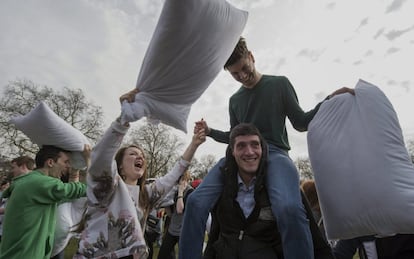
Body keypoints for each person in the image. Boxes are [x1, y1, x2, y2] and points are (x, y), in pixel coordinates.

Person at [180, 36, 355, 259]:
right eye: (235, 74)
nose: (242, 76)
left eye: (244, 68)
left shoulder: (279, 84)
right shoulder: (235, 100)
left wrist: (328, 101)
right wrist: (211, 131)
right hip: (240, 156)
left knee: (289, 209)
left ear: (251, 57)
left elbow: (301, 122)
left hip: (275, 154)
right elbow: (235, 139)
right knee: (195, 201)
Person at [74, 91, 206, 258]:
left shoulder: (146, 194)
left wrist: (194, 144)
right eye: (133, 154)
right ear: (119, 166)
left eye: (142, 156)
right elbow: (102, 157)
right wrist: (123, 119)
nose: (140, 157)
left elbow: (175, 173)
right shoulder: (108, 187)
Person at [203, 123, 334, 259]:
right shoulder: (223, 191)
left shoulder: (284, 190)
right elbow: (215, 236)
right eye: (241, 146)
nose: (249, 152)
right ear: (232, 151)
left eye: (255, 144)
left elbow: (315, 239)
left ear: (263, 149)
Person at [0, 145, 88, 259]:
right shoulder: (40, 183)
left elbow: (69, 196)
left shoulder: (31, 182)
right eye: (66, 162)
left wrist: (75, 172)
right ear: (50, 162)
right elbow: (83, 189)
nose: (68, 166)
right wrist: (90, 159)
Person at [158, 171, 194, 259]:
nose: (178, 182)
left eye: (181, 179)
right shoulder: (174, 191)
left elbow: (179, 209)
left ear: (186, 179)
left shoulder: (190, 192)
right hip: (172, 229)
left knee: (185, 255)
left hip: (184, 231)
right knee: (162, 255)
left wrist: (181, 192)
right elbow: (171, 213)